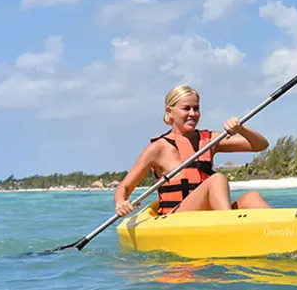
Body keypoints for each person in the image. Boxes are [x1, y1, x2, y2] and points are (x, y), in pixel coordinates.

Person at [114, 84, 272, 217]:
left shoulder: (210, 140)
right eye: (186, 108)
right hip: (176, 218)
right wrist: (121, 202)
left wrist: (241, 129)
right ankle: (229, 228)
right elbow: (125, 187)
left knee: (253, 198)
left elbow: (260, 145)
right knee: (217, 179)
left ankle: (278, 235)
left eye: (196, 109)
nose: (192, 114)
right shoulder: (158, 148)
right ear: (169, 112)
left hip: (207, 216)